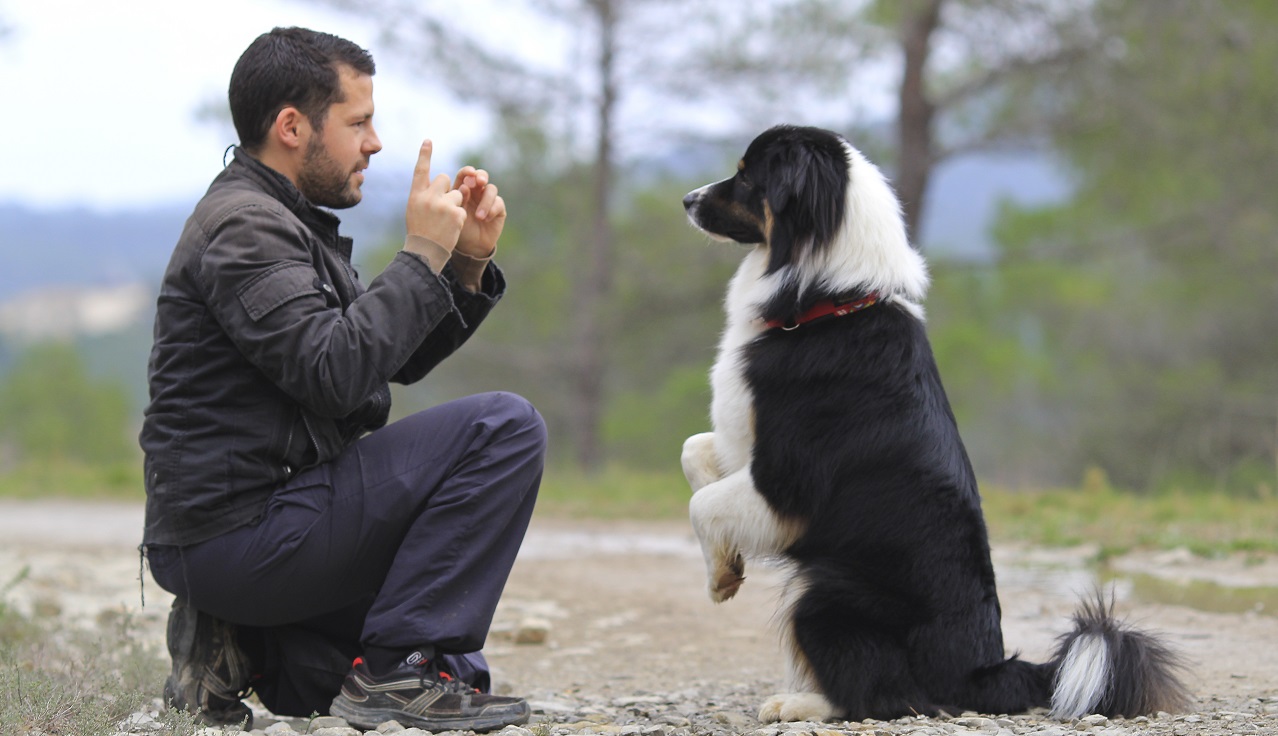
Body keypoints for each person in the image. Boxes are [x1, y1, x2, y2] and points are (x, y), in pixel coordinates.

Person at [138, 27, 546, 732]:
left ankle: (239, 645)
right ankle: (380, 675)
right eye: (358, 122)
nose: (375, 142)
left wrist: (464, 267)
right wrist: (421, 253)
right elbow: (337, 374)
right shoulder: (244, 230)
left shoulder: (284, 221)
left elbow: (385, 358)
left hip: (265, 530)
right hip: (244, 532)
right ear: (292, 126)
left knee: (453, 667)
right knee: (503, 427)